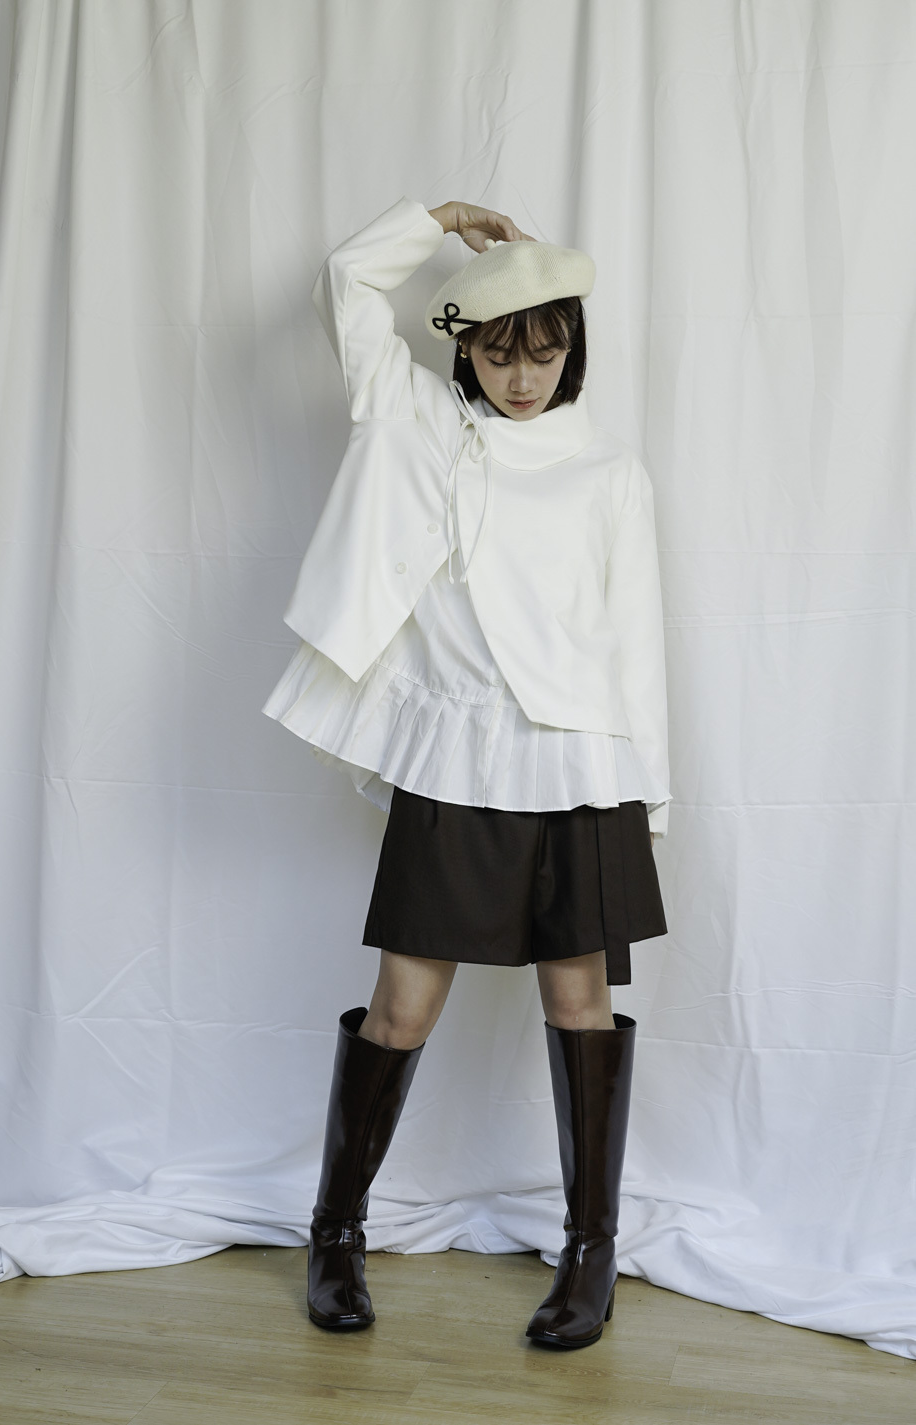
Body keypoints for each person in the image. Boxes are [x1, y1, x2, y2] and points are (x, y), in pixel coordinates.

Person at [262, 197, 671, 1350]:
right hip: (456, 759)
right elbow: (346, 285)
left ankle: (590, 1252)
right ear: (465, 352)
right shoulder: (419, 428)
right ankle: (335, 1231)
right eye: (498, 353)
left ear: (570, 349)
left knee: (577, 1003)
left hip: (577, 764)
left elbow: (635, 643)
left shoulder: (608, 472)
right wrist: (432, 218)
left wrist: (650, 794)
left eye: (542, 351)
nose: (521, 377)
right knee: (402, 1002)